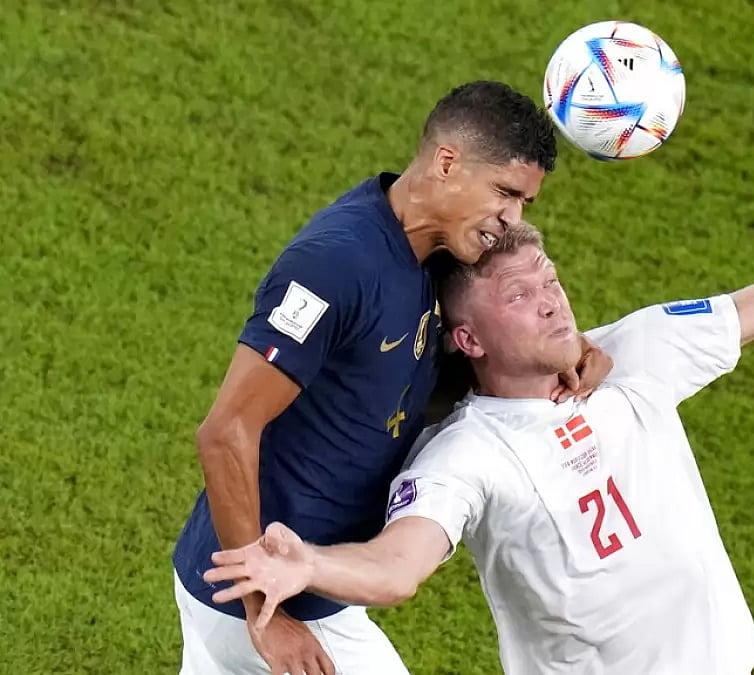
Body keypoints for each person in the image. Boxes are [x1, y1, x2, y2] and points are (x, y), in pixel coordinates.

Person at [202, 139, 754, 674]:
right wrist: (306, 564)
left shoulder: (637, 352)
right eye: (521, 294)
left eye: (551, 278)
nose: (553, 300)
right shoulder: (468, 453)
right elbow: (399, 563)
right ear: (470, 340)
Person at [172, 80, 612, 675]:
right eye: (505, 194)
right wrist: (264, 611)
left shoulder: (444, 255)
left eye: (524, 205)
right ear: (447, 161)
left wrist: (574, 350)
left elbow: (473, 348)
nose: (510, 219)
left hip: (281, 583)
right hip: (265, 593)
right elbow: (224, 431)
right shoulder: (334, 265)